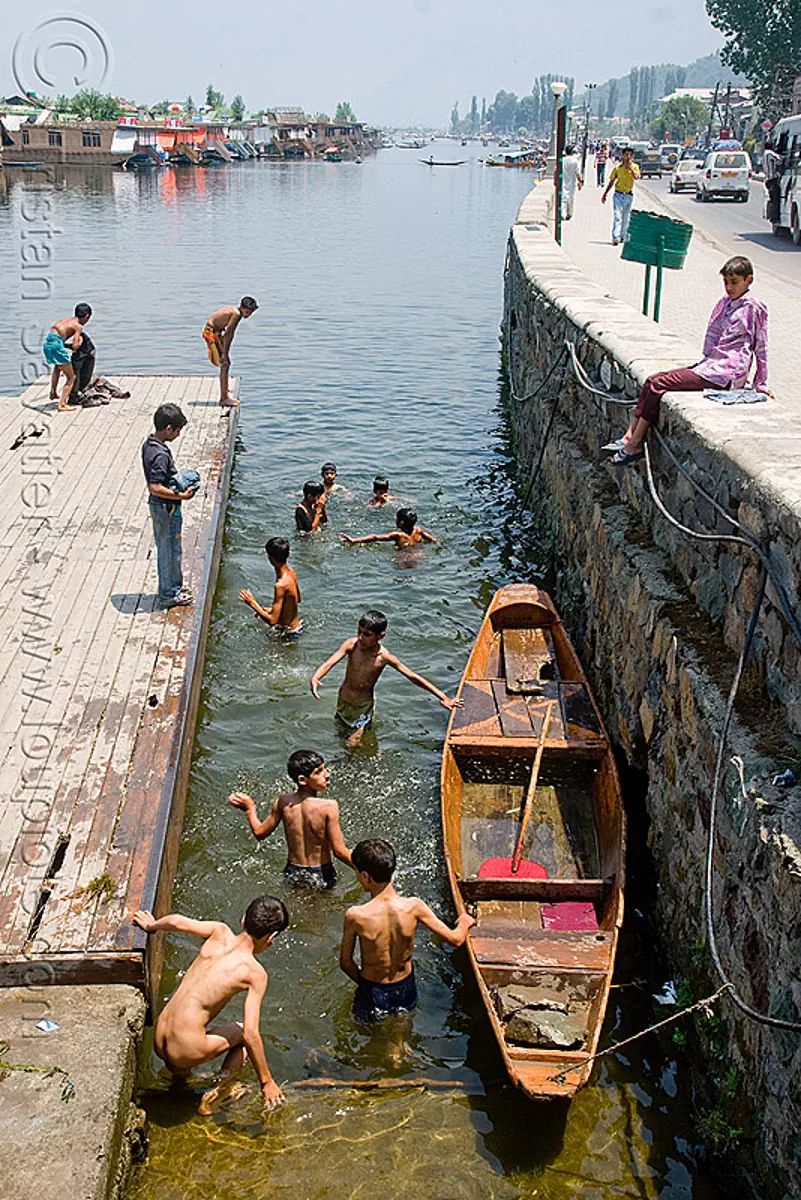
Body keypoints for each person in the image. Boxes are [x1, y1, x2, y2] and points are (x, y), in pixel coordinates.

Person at [605, 255, 770, 465]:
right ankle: (628, 437)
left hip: (725, 373)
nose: (729, 287)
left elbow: (761, 347)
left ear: (749, 280)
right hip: (710, 366)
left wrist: (760, 384)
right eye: (726, 282)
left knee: (658, 384)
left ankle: (635, 443)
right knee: (651, 380)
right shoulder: (725, 304)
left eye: (735, 282)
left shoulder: (754, 308)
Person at [132, 896, 288, 1114]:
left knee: (189, 1030)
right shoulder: (254, 973)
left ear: (243, 920)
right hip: (186, 1049)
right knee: (242, 1033)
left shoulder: (219, 931)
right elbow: (252, 1035)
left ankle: (179, 1081)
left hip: (160, 1036)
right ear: (270, 938)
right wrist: (267, 1082)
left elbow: (177, 922)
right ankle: (218, 1093)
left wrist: (152, 925)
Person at [339, 838, 475, 1023]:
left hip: (373, 989)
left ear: (365, 876)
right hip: (405, 987)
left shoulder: (356, 916)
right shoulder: (414, 907)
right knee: (401, 1030)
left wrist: (366, 987)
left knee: (368, 1035)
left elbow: (346, 963)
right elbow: (455, 939)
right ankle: (398, 1050)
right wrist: (465, 921)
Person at [310, 609, 461, 745]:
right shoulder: (352, 645)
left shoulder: (384, 657)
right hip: (343, 701)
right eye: (359, 631)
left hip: (363, 707)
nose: (361, 637)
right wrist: (316, 677)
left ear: (380, 636)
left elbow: (413, 677)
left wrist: (444, 697)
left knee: (352, 744)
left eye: (367, 634)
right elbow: (329, 662)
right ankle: (365, 752)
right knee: (340, 737)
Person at [228, 750, 352, 890]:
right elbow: (340, 852)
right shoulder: (329, 806)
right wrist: (368, 870)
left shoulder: (282, 802)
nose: (327, 775)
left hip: (293, 872)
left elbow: (259, 833)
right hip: (322, 872)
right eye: (318, 772)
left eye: (324, 769)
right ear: (302, 780)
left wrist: (250, 808)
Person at [141, 403, 198, 607]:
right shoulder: (161, 455)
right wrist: (181, 495)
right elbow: (155, 487)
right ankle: (169, 595)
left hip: (160, 506)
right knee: (170, 550)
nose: (178, 434)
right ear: (168, 428)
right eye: (178, 430)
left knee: (170, 548)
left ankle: (173, 586)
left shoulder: (149, 444)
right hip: (166, 508)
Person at [240, 536, 302, 637]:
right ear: (288, 554)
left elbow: (273, 620)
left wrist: (252, 603)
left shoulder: (280, 585)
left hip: (288, 635)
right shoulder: (292, 573)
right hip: (297, 628)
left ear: (270, 558)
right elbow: (297, 600)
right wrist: (268, 610)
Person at [202, 297, 258, 407]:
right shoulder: (236, 314)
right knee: (225, 364)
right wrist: (225, 354)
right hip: (211, 333)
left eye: (250, 313)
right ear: (242, 308)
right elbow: (229, 334)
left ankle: (225, 395)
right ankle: (224, 398)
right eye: (247, 312)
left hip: (214, 332)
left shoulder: (235, 311)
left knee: (226, 364)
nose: (248, 315)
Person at [44, 303, 92, 413]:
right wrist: (79, 340)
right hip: (57, 347)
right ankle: (62, 404)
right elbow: (75, 346)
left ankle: (53, 392)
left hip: (47, 344)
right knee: (71, 377)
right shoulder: (78, 326)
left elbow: (56, 338)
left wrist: (65, 346)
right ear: (87, 316)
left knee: (57, 367)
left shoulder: (64, 320)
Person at [340, 507, 437, 549]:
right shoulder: (419, 531)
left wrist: (354, 540)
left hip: (404, 557)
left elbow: (375, 537)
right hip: (419, 555)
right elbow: (434, 540)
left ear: (400, 523)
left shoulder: (398, 535)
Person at [601, 147, 640, 245]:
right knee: (617, 216)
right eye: (626, 154)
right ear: (622, 155)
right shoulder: (618, 168)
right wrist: (605, 194)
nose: (628, 157)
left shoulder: (635, 167)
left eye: (630, 155)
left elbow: (636, 177)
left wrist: (630, 167)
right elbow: (611, 181)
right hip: (618, 194)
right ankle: (616, 237)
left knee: (626, 217)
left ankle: (623, 236)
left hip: (628, 195)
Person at [559, 145, 583, 220]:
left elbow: (557, 171)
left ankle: (562, 214)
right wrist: (580, 182)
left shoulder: (562, 160)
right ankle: (569, 214)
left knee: (563, 198)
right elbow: (577, 173)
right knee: (571, 198)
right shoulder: (575, 161)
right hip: (572, 182)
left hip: (563, 181)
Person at [763, 139, 783, 226]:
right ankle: (775, 218)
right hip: (772, 180)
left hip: (768, 180)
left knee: (773, 199)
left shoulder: (764, 154)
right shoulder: (769, 153)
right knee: (776, 199)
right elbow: (779, 160)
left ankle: (772, 216)